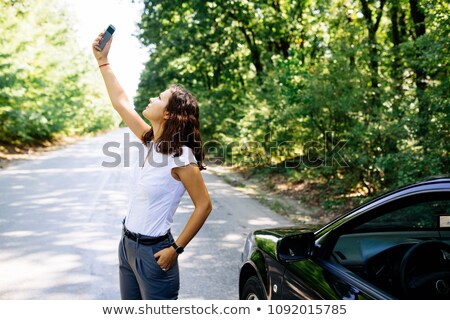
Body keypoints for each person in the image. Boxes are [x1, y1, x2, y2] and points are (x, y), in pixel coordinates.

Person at [92, 32, 212, 300]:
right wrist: (103, 61)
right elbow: (121, 104)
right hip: (127, 246)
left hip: (155, 253)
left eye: (158, 98)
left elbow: (204, 205)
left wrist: (176, 249)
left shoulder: (181, 157)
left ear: (168, 113)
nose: (151, 99)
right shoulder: (151, 142)